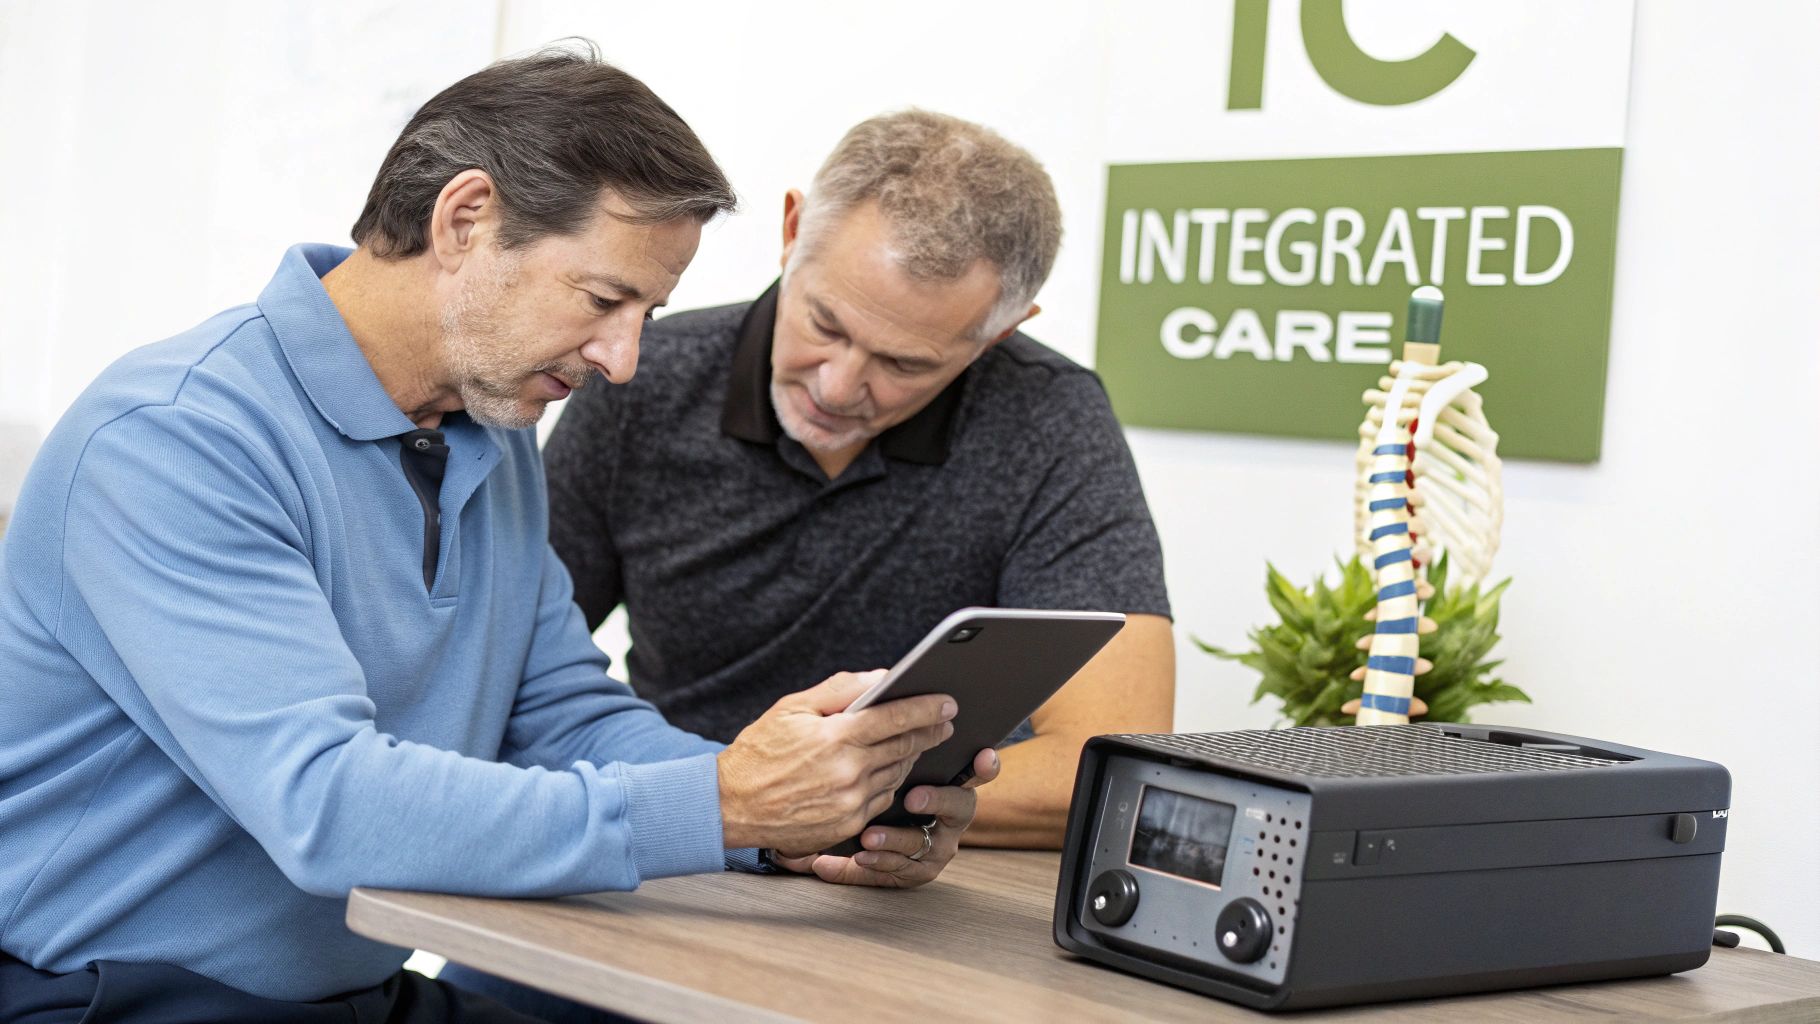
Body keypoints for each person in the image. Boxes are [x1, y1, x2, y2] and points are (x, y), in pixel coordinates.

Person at [0, 47, 995, 1024]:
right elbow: (327, 804)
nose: (624, 357)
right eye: (604, 300)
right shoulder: (178, 438)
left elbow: (558, 711)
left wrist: (799, 813)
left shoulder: (490, 433)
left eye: (648, 311)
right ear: (465, 218)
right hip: (111, 995)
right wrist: (727, 805)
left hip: (348, 993)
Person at [543, 110, 1174, 851]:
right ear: (792, 229)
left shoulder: (1048, 416)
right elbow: (518, 680)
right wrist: (738, 805)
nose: (839, 388)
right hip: (681, 850)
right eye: (825, 325)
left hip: (911, 882)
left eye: (905, 364)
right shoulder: (636, 379)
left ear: (998, 333)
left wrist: (828, 805)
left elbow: (1109, 766)